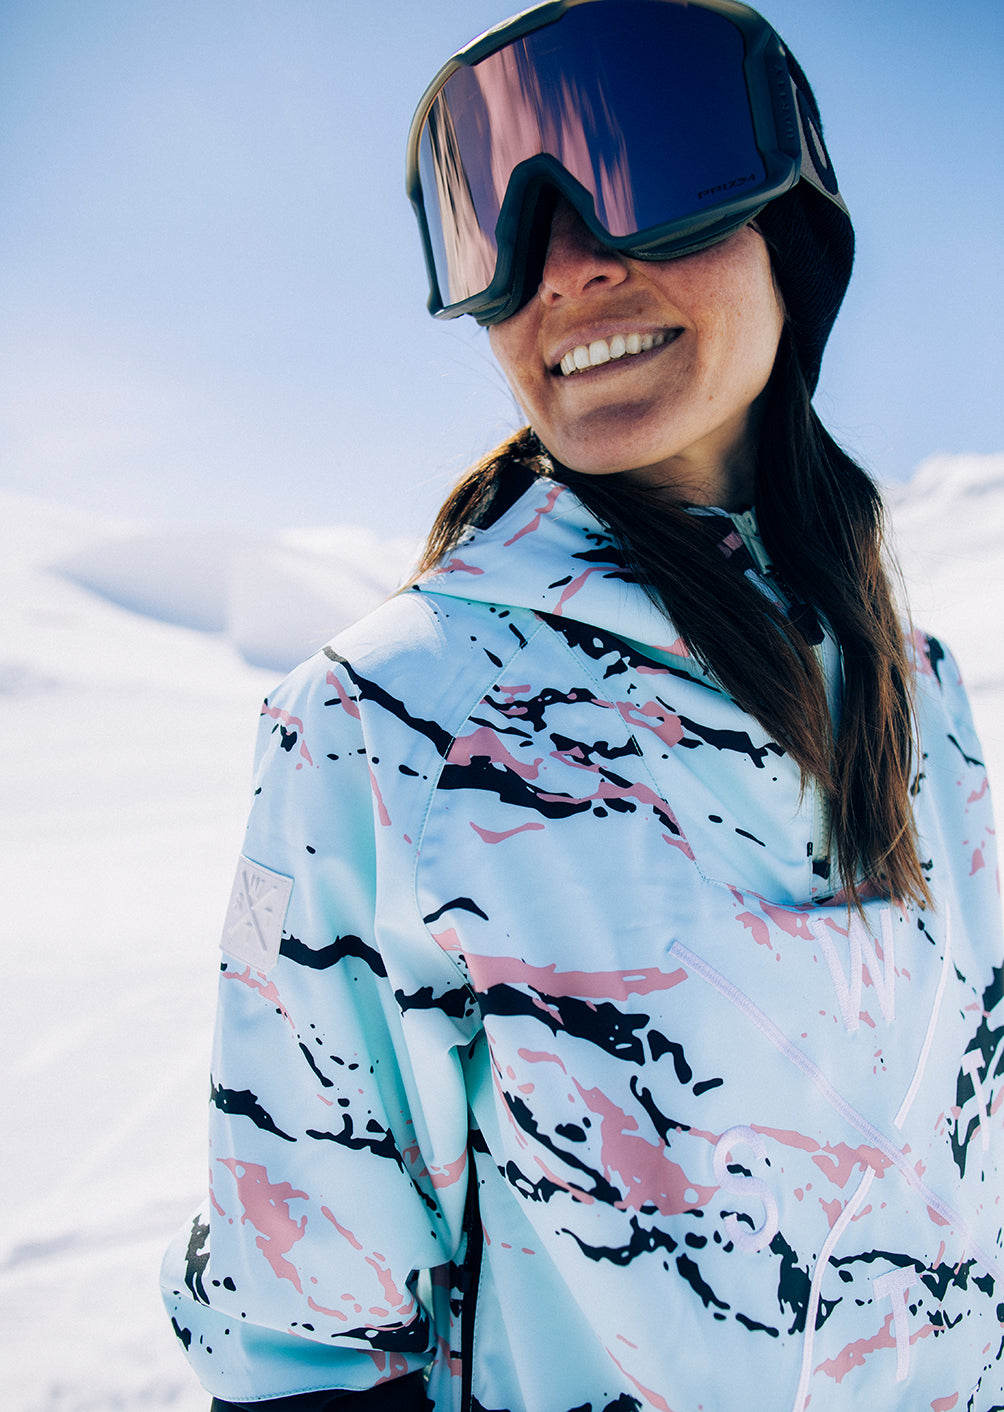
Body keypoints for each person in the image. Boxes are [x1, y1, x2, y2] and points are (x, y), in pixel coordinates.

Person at [161, 2, 1004, 1408]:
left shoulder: (921, 691)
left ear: (791, 231)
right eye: (491, 222)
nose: (562, 268)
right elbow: (312, 1334)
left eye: (645, 169)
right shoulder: (387, 721)